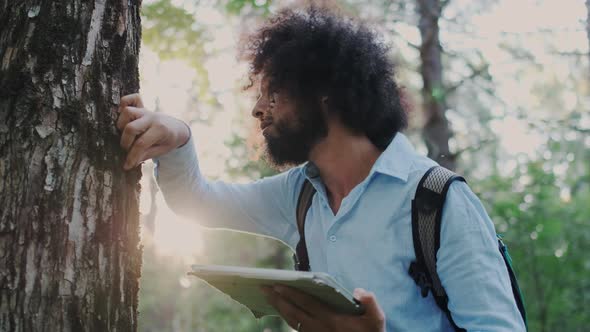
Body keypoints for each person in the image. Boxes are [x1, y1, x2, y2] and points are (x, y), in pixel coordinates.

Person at [116, 6, 526, 332]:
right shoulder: (300, 193)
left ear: (324, 89)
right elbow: (197, 202)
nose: (258, 109)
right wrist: (178, 138)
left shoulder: (438, 202)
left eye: (273, 93)